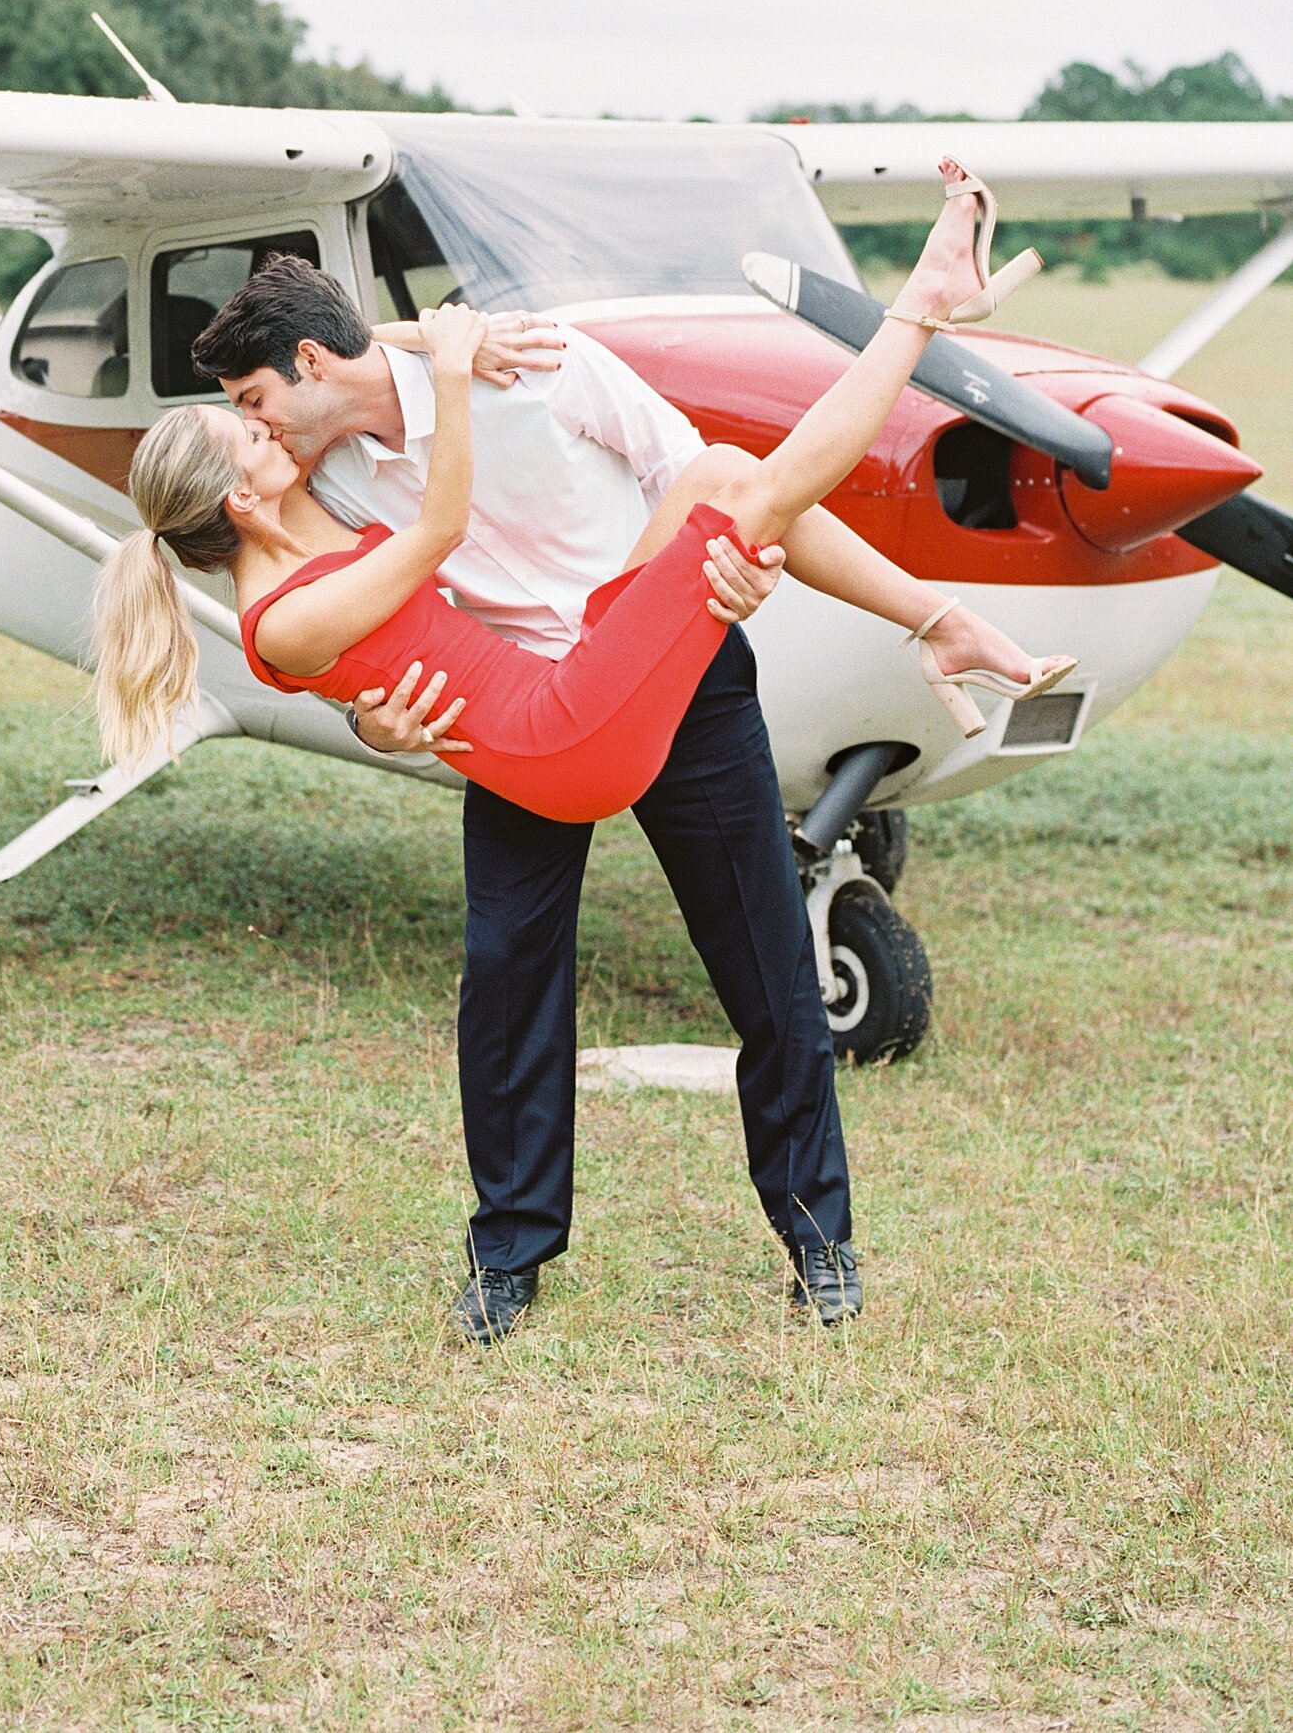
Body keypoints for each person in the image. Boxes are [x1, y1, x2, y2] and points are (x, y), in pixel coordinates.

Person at [95, 169, 1070, 1340]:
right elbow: (340, 625)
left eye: (255, 398)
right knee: (507, 983)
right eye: (241, 419)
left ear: (305, 370)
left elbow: (726, 490)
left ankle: (820, 1243)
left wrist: (830, 592)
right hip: (527, 714)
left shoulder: (539, 366)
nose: (258, 426)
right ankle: (508, 1256)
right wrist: (375, 721)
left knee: (765, 960)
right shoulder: (325, 474)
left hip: (667, 667)